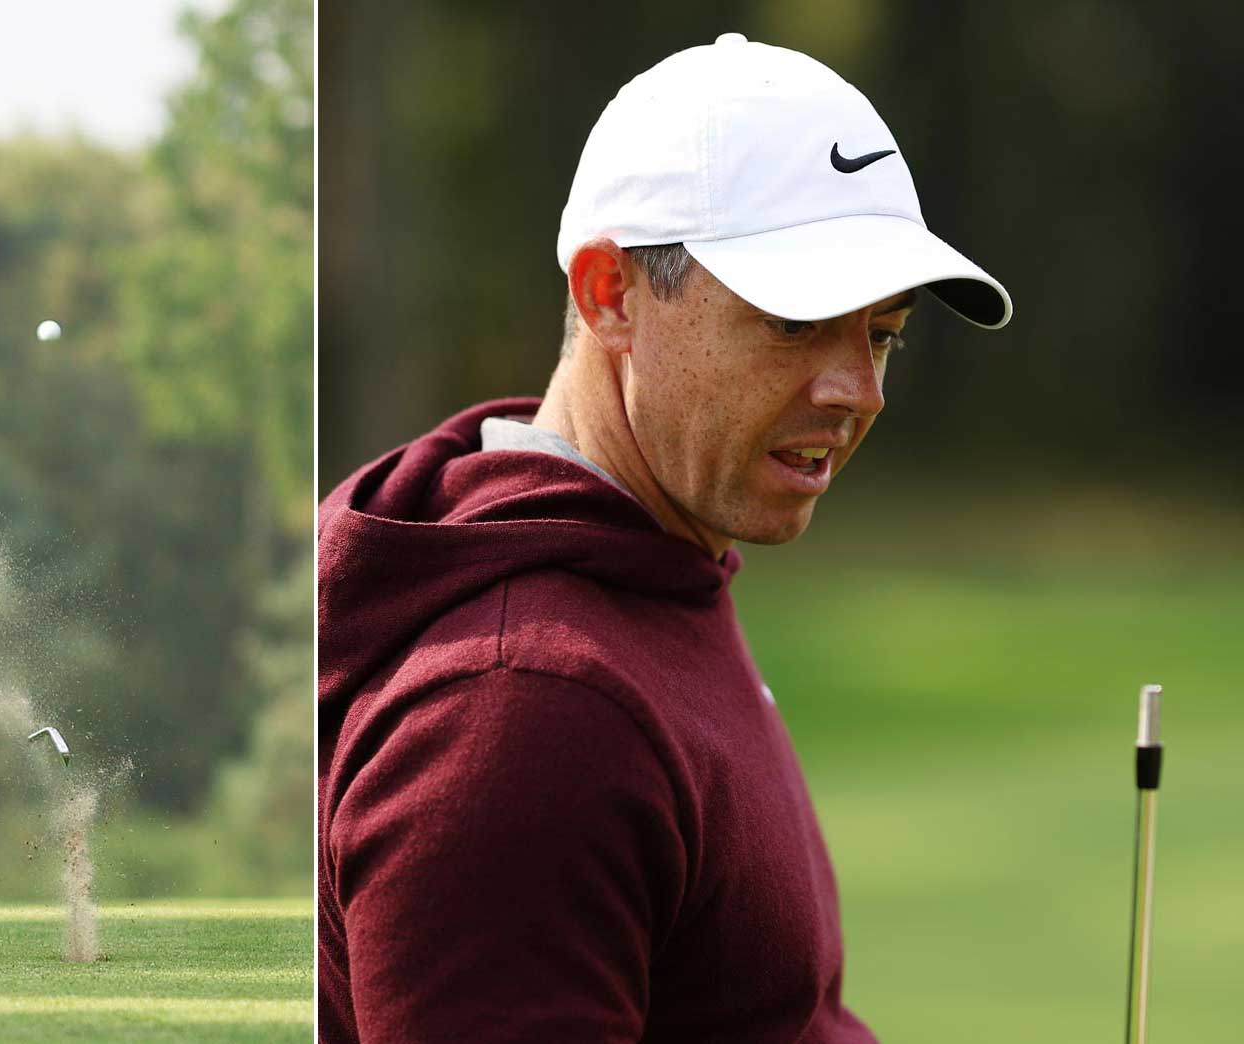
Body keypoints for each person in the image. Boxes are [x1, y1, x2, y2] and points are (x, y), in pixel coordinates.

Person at [317, 34, 1012, 1042]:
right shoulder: (523, 713)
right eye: (793, 323)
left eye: (882, 334)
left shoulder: (650, 572)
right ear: (610, 294)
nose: (858, 391)